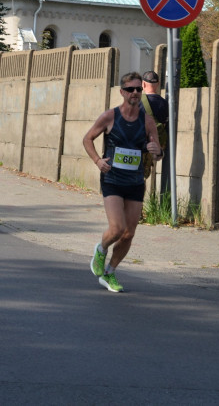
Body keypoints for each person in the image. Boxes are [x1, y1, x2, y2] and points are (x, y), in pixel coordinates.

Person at [82, 71, 163, 293]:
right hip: (113, 179)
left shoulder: (147, 122)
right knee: (117, 228)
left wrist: (157, 151)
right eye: (130, 89)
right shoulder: (110, 116)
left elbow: (157, 153)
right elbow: (87, 138)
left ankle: (109, 273)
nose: (135, 93)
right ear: (122, 92)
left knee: (129, 233)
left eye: (138, 89)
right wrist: (98, 161)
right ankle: (101, 248)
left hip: (135, 181)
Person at [140, 70, 170, 193]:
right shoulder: (165, 103)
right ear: (158, 84)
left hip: (139, 145)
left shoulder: (137, 102)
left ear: (143, 84)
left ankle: (135, 209)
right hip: (155, 145)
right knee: (142, 176)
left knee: (135, 177)